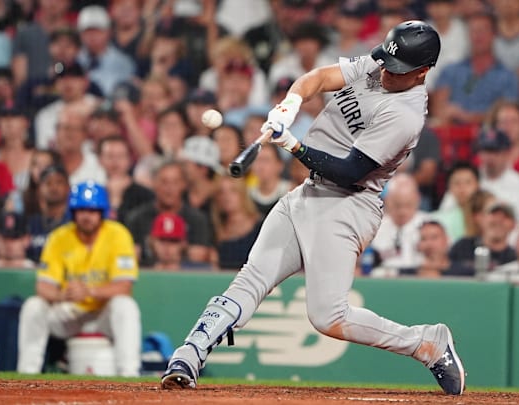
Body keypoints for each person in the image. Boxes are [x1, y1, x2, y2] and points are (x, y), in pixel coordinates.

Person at [160, 20, 465, 396]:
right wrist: (289, 105)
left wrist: (293, 145)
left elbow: (351, 169)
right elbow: (318, 78)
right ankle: (190, 354)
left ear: (423, 72)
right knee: (252, 277)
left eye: (397, 69)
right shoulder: (381, 63)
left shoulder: (406, 114)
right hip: (309, 193)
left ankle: (425, 343)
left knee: (329, 317)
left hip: (349, 204)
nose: (385, 71)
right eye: (386, 61)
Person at [16, 181, 141, 376]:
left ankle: (129, 373)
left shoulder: (118, 234)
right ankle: (26, 374)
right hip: (69, 310)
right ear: (73, 212)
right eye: (81, 210)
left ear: (102, 212)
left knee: (125, 306)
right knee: (33, 306)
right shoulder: (59, 237)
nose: (86, 216)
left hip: (102, 312)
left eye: (92, 211)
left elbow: (124, 287)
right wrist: (62, 295)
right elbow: (43, 287)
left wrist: (90, 291)